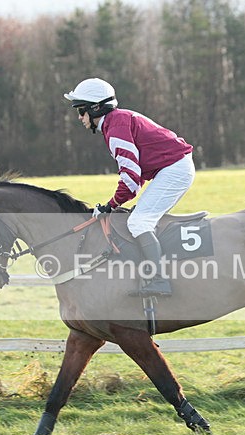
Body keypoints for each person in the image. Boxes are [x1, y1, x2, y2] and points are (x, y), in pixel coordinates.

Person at [64, 78, 195, 297]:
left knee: (138, 222)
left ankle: (159, 280)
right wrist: (114, 204)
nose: (79, 117)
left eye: (81, 111)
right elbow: (136, 173)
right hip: (170, 168)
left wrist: (110, 205)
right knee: (137, 218)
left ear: (95, 108)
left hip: (174, 170)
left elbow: (131, 178)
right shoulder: (115, 122)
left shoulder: (116, 127)